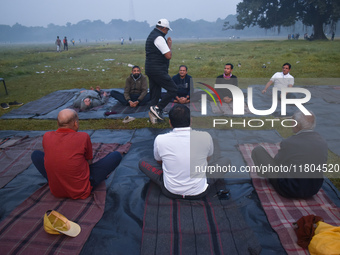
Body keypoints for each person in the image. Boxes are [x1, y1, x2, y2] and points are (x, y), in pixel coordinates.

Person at [139, 104, 230, 199]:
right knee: (225, 161)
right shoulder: (205, 136)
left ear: (170, 122)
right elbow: (208, 159)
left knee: (143, 162)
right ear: (191, 121)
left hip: (170, 191)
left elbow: (159, 161)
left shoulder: (160, 139)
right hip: (199, 191)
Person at [31, 109, 122, 199]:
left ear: (58, 124)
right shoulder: (83, 136)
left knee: (36, 155)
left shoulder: (46, 136)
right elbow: (89, 162)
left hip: (56, 191)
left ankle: (56, 180)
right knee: (116, 156)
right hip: (81, 190)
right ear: (75, 123)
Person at [251, 111, 328, 199]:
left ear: (297, 125)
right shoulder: (322, 141)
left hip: (289, 190)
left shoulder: (290, 142)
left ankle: (266, 176)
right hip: (313, 189)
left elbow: (277, 163)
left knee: (258, 150)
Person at [145, 18, 178, 120]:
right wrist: (169, 46)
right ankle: (158, 108)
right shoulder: (159, 38)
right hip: (157, 69)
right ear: (164, 28)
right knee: (173, 89)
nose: (167, 32)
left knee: (155, 94)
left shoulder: (151, 35)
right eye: (167, 30)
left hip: (150, 68)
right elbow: (168, 55)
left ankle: (153, 116)